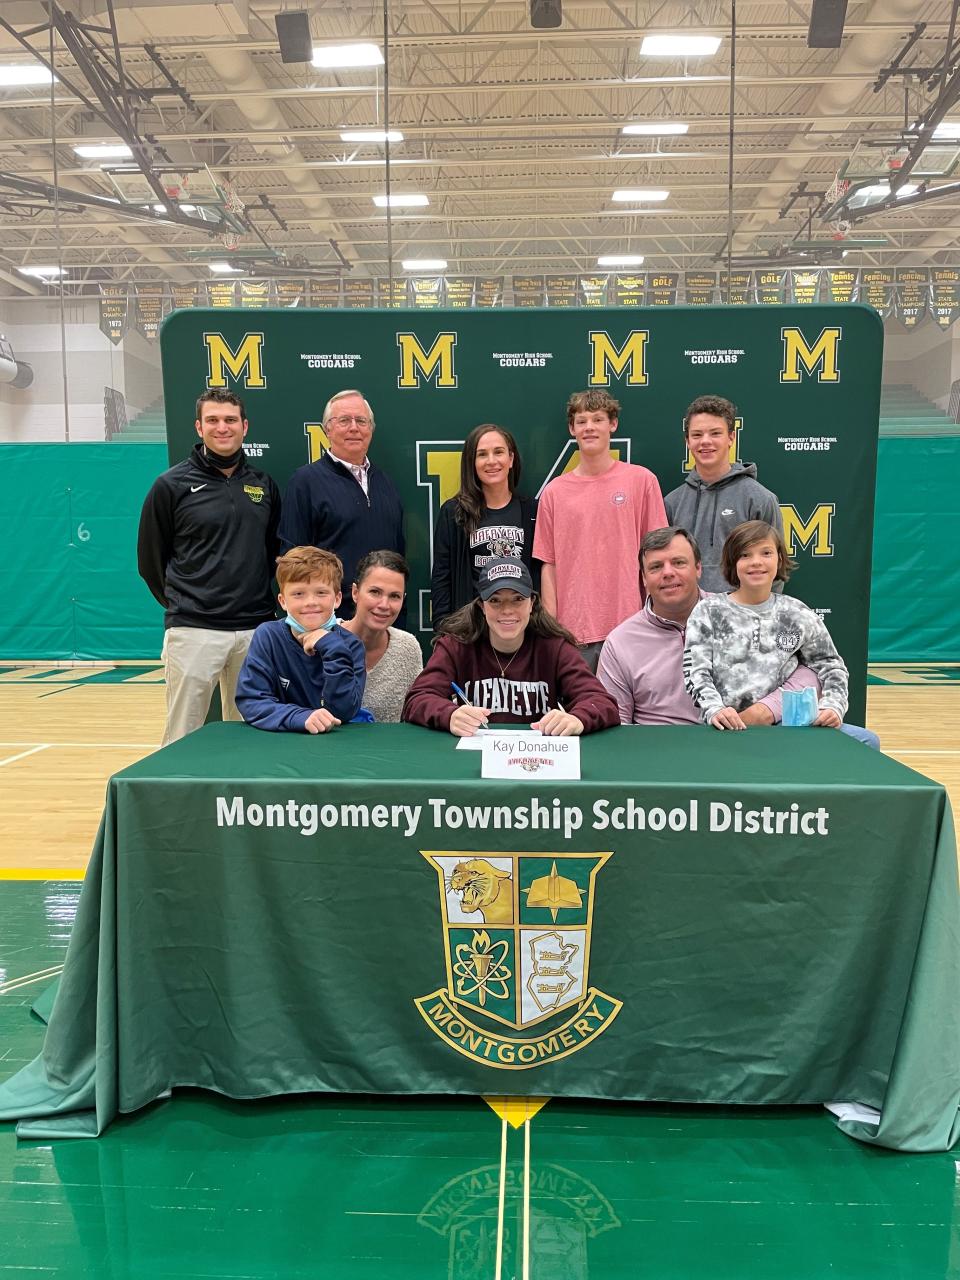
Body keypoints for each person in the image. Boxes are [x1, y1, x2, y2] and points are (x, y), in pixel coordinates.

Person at [137, 388, 282, 746]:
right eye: (213, 420)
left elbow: (271, 554)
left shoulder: (263, 485)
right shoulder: (170, 485)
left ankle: (244, 801)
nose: (222, 427)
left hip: (254, 630)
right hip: (193, 630)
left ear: (245, 426)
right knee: (182, 736)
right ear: (199, 428)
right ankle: (175, 800)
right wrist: (186, 604)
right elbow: (150, 561)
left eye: (230, 420)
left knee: (250, 735)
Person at [598, 526, 815, 727]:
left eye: (679, 562)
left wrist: (765, 710)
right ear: (644, 578)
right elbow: (618, 727)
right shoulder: (620, 643)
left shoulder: (741, 612)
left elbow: (812, 672)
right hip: (664, 753)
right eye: (656, 567)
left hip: (741, 742)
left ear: (698, 568)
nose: (668, 573)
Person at [402, 557, 619, 737]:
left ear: (532, 604)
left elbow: (601, 702)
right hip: (473, 762)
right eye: (495, 601)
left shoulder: (554, 647)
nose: (507, 610)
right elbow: (417, 699)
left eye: (517, 599)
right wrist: (449, 714)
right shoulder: (456, 645)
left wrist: (577, 718)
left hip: (537, 763)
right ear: (482, 606)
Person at [533, 389, 667, 672]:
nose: (589, 427)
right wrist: (551, 626)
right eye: (581, 421)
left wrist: (655, 618)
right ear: (572, 429)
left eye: (597, 419)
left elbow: (657, 556)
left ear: (613, 424)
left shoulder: (642, 481)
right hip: (573, 633)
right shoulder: (554, 493)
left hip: (632, 629)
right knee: (577, 714)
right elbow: (549, 564)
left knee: (630, 716)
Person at [683, 521, 850, 732]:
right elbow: (696, 671)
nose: (756, 562)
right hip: (725, 729)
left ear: (779, 560)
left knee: (867, 739)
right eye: (745, 555)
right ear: (732, 562)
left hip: (789, 727)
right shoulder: (707, 611)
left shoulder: (797, 613)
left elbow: (830, 665)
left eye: (766, 553)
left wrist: (833, 706)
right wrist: (714, 709)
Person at [278, 389, 404, 621]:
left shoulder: (386, 483)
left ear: (371, 429)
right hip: (331, 625)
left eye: (361, 421)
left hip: (383, 621)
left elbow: (398, 558)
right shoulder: (305, 482)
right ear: (327, 429)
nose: (354, 427)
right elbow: (292, 562)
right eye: (344, 420)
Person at [235, 546, 365, 733]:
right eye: (298, 594)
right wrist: (300, 717)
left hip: (334, 747)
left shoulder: (351, 645)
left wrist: (332, 647)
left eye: (321, 592)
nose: (310, 602)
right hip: (277, 744)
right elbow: (252, 700)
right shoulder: (268, 636)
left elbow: (343, 711)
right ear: (282, 601)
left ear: (337, 598)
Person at [664, 394, 784, 593]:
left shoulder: (760, 499)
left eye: (715, 433)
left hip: (742, 617)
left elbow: (776, 570)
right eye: (697, 435)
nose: (705, 441)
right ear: (687, 441)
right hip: (687, 618)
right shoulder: (672, 503)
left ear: (731, 437)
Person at [430, 423, 539, 628]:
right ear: (472, 462)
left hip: (518, 628)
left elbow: (540, 575)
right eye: (482, 454)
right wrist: (444, 630)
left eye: (498, 452)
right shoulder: (454, 512)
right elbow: (441, 578)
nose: (491, 461)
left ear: (511, 459)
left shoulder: (532, 512)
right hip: (470, 629)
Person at [341, 550, 423, 723]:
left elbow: (417, 709)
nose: (384, 605)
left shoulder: (408, 647)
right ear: (355, 592)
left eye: (394, 596)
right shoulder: (322, 642)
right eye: (375, 592)